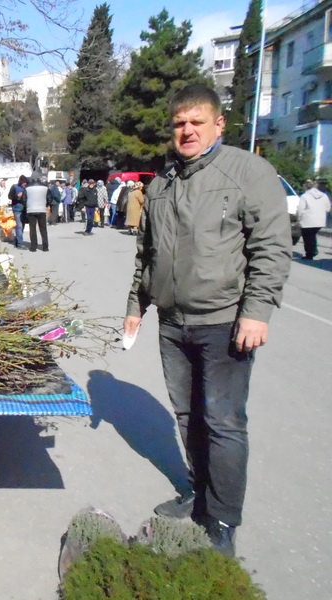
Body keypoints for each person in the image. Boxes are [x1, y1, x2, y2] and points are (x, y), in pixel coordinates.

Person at [124, 84, 291, 556]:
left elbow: (271, 248)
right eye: (179, 123)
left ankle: (222, 521)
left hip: (224, 322)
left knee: (222, 421)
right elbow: (146, 254)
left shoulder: (249, 172)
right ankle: (199, 493)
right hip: (173, 324)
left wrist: (256, 312)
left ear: (219, 124)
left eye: (197, 122)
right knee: (187, 415)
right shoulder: (162, 182)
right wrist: (136, 305)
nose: (187, 130)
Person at [296, 179, 331, 260]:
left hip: (307, 220)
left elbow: (300, 209)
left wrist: (298, 218)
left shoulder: (305, 196)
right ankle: (313, 250)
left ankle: (310, 253)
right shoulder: (324, 196)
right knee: (312, 235)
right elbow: (328, 208)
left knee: (307, 237)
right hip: (320, 221)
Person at [25, 176, 55, 251]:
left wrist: (27, 205)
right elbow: (50, 198)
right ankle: (45, 247)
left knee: (32, 229)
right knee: (43, 229)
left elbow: (24, 199)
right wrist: (46, 205)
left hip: (31, 210)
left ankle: (33, 247)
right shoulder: (45, 187)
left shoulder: (27, 188)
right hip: (42, 209)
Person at [9, 175, 29, 248]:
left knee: (22, 226)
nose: (25, 184)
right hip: (17, 209)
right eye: (23, 182)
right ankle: (20, 243)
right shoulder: (14, 187)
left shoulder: (27, 188)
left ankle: (17, 241)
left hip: (24, 209)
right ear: (20, 181)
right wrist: (17, 196)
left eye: (26, 182)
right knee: (19, 226)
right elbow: (10, 196)